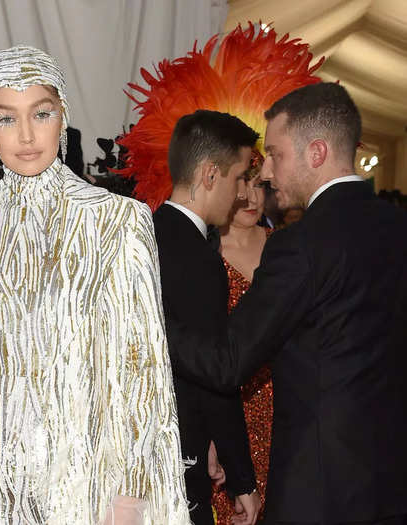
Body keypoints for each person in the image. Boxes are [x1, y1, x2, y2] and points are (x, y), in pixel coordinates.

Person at [0, 45, 190, 525]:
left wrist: (131, 493)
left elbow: (143, 368)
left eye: (40, 113)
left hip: (85, 482)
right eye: (6, 118)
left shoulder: (117, 222)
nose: (25, 135)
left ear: (62, 116)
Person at [167, 83, 407, 524]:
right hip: (390, 481)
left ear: (315, 153)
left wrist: (147, 321)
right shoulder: (397, 226)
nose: (270, 173)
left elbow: (228, 361)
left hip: (319, 490)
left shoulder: (301, 245)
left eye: (276, 154)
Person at [154, 110, 260, 525]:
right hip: (181, 459)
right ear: (210, 174)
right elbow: (216, 373)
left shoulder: (142, 233)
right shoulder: (199, 259)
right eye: (238, 178)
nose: (240, 194)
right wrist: (242, 479)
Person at [212, 168, 273, 524]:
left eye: (259, 184)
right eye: (241, 184)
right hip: (228, 409)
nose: (251, 197)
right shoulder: (204, 253)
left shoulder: (286, 245)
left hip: (288, 411)